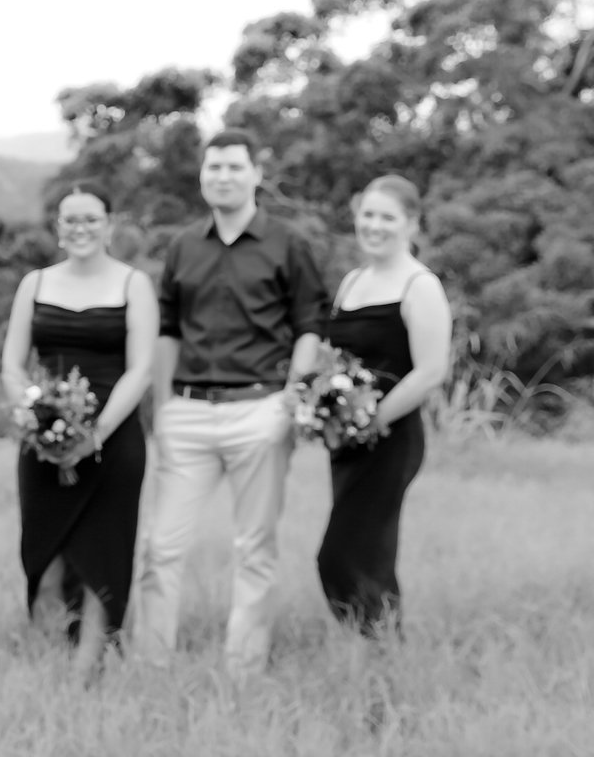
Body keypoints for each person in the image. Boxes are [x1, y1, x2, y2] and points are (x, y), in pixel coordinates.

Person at [134, 129, 329, 676]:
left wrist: (292, 400)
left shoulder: (287, 244)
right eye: (213, 167)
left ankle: (244, 671)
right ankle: (151, 667)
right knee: (160, 547)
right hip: (188, 412)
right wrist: (165, 405)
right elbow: (168, 328)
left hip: (260, 408)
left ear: (256, 175)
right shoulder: (183, 246)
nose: (222, 176)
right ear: (202, 175)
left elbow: (309, 326)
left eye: (234, 167)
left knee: (255, 548)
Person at [0, 184, 156, 679]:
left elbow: (142, 370)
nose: (80, 228)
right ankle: (47, 670)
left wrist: (96, 433)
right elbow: (12, 363)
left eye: (91, 219)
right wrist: (35, 418)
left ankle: (86, 677)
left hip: (114, 442)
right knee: (44, 560)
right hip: (41, 442)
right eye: (70, 220)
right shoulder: (35, 283)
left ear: (110, 224)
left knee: (101, 560)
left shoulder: (135, 285)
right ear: (58, 229)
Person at [317, 175, 450, 636]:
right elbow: (335, 360)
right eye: (367, 215)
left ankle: (380, 646)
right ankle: (379, 651)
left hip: (391, 439)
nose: (375, 225)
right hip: (346, 441)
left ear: (411, 224)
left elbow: (431, 371)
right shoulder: (353, 282)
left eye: (387, 217)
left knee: (342, 555)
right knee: (369, 555)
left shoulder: (420, 285)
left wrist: (373, 420)